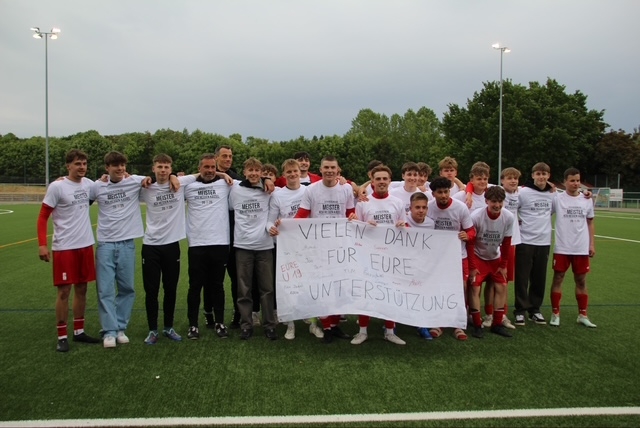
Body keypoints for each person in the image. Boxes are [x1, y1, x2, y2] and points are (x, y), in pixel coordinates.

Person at [37, 149, 100, 352]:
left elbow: (106, 184)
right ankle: (62, 336)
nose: (82, 167)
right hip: (64, 247)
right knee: (64, 291)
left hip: (85, 245)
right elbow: (43, 216)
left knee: (82, 289)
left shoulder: (89, 184)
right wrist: (42, 244)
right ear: (68, 166)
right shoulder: (57, 187)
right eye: (77, 163)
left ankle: (79, 331)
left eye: (84, 163)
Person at [295, 155, 355, 343]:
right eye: (326, 167)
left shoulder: (346, 189)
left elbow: (350, 213)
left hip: (340, 246)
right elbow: (302, 215)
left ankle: (335, 326)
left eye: (332, 168)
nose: (329, 171)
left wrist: (354, 217)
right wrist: (285, 226)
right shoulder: (311, 189)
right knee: (322, 287)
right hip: (318, 247)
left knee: (339, 288)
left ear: (338, 170)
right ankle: (327, 327)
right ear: (320, 170)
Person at [140, 154, 197, 344]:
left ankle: (168, 327)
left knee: (170, 289)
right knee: (151, 290)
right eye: (160, 167)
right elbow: (124, 180)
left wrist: (223, 174)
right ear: (153, 169)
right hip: (151, 246)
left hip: (172, 246)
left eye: (166, 167)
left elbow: (202, 174)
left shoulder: (181, 183)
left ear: (171, 169)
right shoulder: (145, 187)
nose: (163, 170)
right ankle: (152, 330)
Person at [92, 151, 147, 348]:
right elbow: (79, 191)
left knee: (127, 288)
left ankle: (120, 327)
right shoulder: (97, 186)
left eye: (123, 165)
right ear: (107, 168)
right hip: (106, 244)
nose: (120, 168)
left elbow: (155, 178)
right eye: (116, 165)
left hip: (127, 244)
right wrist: (61, 180)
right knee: (105, 290)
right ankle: (109, 331)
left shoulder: (134, 181)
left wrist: (174, 177)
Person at [349, 165, 407, 345]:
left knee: (391, 291)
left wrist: (402, 226)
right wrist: (364, 225)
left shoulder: (397, 202)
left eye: (385, 179)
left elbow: (406, 228)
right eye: (378, 179)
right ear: (372, 181)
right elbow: (355, 229)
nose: (382, 182)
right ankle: (362, 331)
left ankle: (389, 331)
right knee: (365, 291)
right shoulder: (363, 203)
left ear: (390, 181)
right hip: (368, 255)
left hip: (391, 255)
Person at [267, 159, 325, 340]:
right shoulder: (278, 195)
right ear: (284, 175)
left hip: (308, 246)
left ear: (301, 172)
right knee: (288, 285)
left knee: (311, 284)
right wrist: (272, 228)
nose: (292, 174)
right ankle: (290, 324)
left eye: (295, 171)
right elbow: (269, 221)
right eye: (289, 172)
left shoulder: (309, 191)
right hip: (286, 247)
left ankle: (313, 324)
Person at [184, 153, 233, 340]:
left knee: (217, 285)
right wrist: (221, 173)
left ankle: (220, 322)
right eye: (206, 167)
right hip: (197, 244)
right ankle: (193, 325)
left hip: (220, 243)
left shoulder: (224, 185)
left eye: (213, 167)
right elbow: (174, 181)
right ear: (199, 169)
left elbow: (250, 182)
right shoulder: (189, 187)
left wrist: (222, 175)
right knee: (195, 286)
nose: (210, 170)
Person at [230, 157, 278, 340]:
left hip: (264, 246)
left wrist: (267, 180)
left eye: (257, 170)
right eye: (250, 170)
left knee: (267, 289)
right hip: (243, 246)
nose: (253, 173)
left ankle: (269, 325)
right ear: (244, 172)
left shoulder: (268, 190)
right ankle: (246, 325)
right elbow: (219, 176)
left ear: (261, 173)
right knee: (244, 289)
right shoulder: (235, 188)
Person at [425, 177, 475, 341]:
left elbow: (471, 231)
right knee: (438, 289)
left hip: (458, 255)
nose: (444, 195)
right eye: (440, 192)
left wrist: (467, 235)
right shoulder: (429, 207)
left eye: (446, 191)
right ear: (433, 194)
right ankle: (438, 322)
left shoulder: (460, 208)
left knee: (461, 289)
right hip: (437, 257)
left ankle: (458, 325)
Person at [549, 168, 596, 328]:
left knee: (581, 280)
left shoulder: (586, 199)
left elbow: (590, 222)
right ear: (565, 182)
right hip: (562, 247)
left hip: (580, 247)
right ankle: (555, 313)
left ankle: (583, 314)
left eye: (578, 180)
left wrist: (591, 244)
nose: (575, 183)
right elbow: (544, 213)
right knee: (558, 278)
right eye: (572, 180)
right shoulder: (557, 198)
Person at [468, 186, 515, 338]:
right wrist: (472, 266)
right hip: (478, 257)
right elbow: (470, 243)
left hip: (495, 258)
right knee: (474, 288)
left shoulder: (508, 217)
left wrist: (503, 265)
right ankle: (477, 325)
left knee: (502, 286)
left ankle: (497, 324)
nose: (497, 205)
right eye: (494, 201)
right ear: (486, 201)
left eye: (500, 201)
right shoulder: (476, 216)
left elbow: (506, 243)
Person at [514, 162, 555, 326]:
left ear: (548, 176)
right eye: (538, 174)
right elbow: (513, 209)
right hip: (525, 241)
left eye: (544, 174)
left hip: (544, 241)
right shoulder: (523, 192)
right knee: (522, 277)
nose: (541, 177)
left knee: (539, 278)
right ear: (532, 176)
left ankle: (535, 309)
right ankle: (520, 310)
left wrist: (585, 194)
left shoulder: (552, 194)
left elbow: (552, 211)